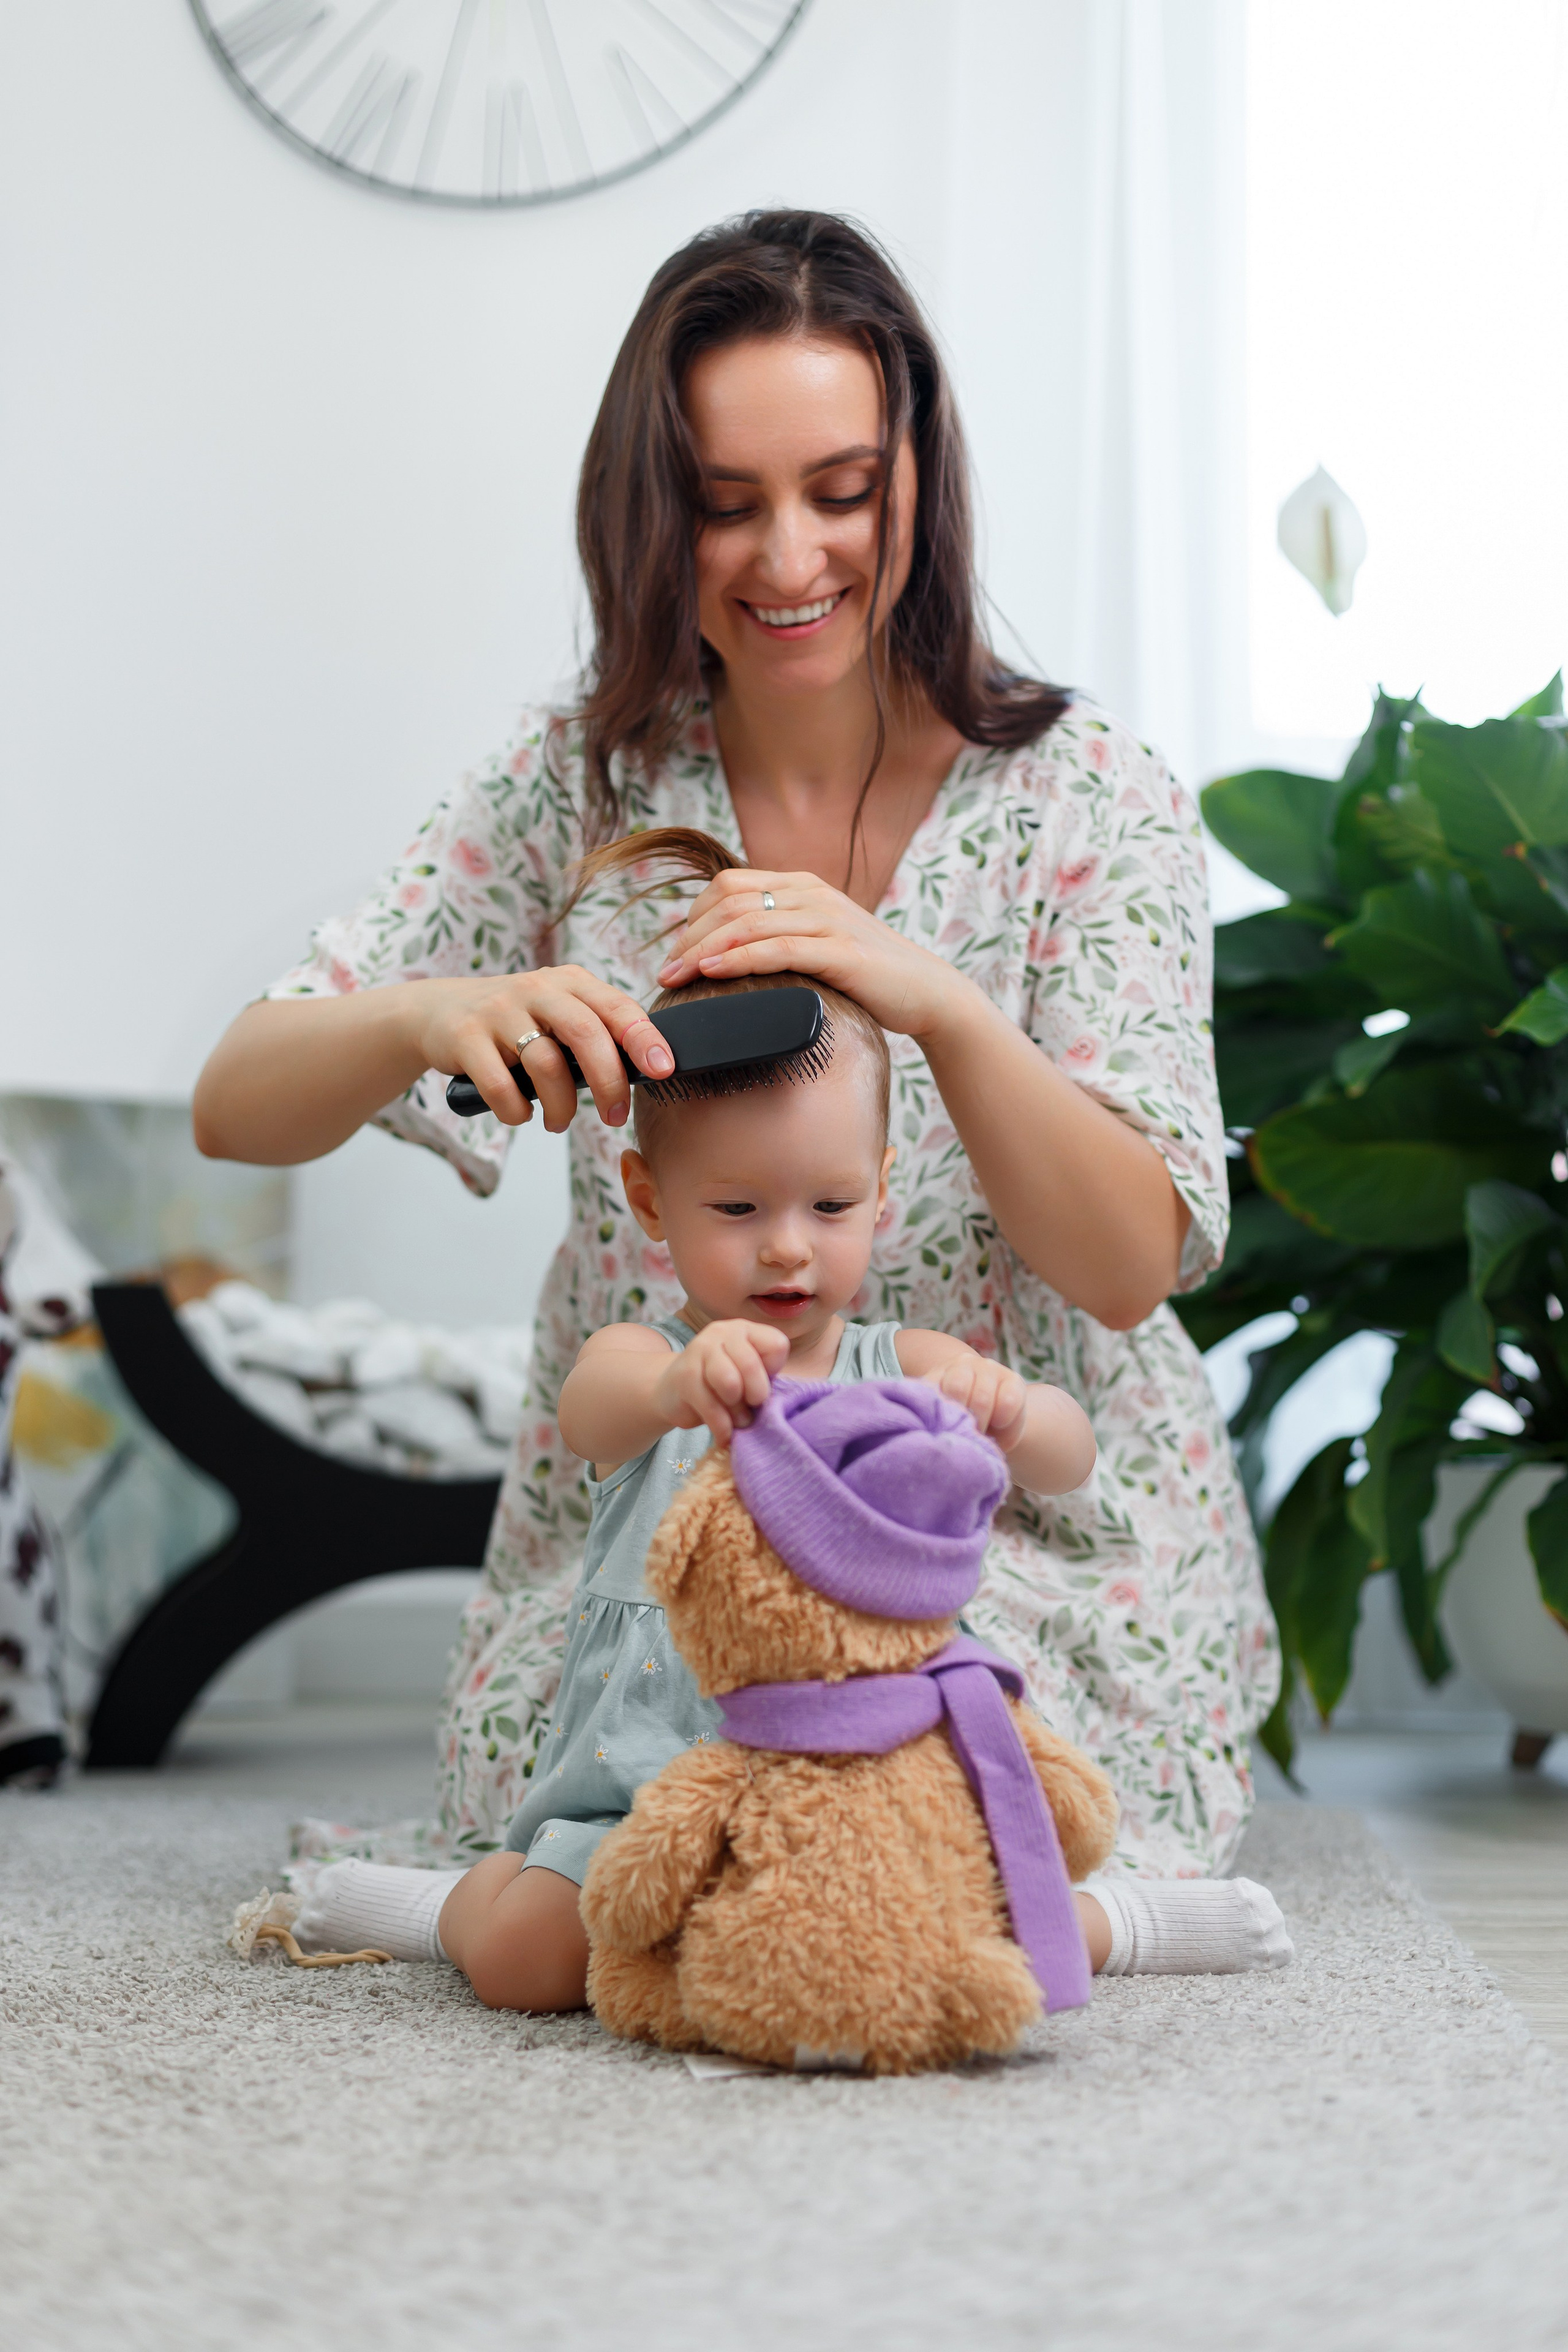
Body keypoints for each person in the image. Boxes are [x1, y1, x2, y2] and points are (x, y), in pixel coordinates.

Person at [195, 208, 1279, 1899]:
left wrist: (938, 1004)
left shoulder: (1093, 802)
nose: (788, 559)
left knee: (928, 1773)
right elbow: (236, 1102)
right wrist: (423, 1014)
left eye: (843, 491)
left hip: (1006, 1527)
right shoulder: (585, 782)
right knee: (651, 1807)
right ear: (652, 514)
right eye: (725, 504)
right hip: (660, 1528)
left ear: (922, 473)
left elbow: (1131, 1267)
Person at [283, 943, 1289, 2003]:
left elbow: (1071, 1452)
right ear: (650, 1197)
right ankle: (438, 1906)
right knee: (532, 1964)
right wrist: (680, 1386)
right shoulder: (645, 1359)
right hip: (642, 1777)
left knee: (949, 1926)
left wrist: (1014, 1411)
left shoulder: (901, 1365)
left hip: (857, 1773)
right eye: (738, 1210)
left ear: (882, 1193)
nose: (788, 1250)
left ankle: (1116, 1922)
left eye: (830, 1207)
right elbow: (592, 1419)